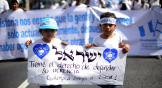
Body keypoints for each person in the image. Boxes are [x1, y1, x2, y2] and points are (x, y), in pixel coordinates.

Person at [85, 12, 130, 88]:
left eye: (110, 25)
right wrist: (90, 47)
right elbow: (95, 52)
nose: (108, 27)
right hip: (103, 72)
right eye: (105, 25)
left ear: (115, 26)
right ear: (100, 25)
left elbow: (121, 48)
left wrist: (126, 46)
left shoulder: (118, 37)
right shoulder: (96, 39)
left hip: (115, 71)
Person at [25, 18, 68, 88]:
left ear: (56, 31)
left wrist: (66, 47)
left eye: (52, 30)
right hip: (43, 80)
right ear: (40, 31)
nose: (50, 33)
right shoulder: (36, 44)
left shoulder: (59, 42)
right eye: (46, 30)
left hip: (56, 79)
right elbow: (34, 57)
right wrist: (29, 46)